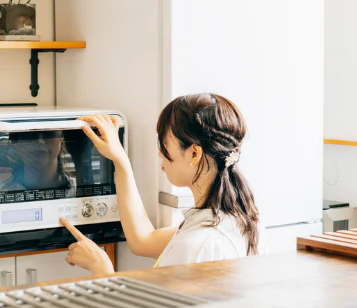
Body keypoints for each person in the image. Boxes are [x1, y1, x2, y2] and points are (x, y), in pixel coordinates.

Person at [60, 93, 261, 275]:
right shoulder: (240, 221)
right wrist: (120, 161)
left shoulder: (197, 244)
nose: (159, 153)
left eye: (164, 144)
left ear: (194, 153)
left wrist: (101, 266)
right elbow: (143, 240)